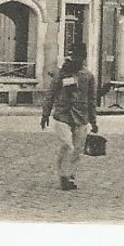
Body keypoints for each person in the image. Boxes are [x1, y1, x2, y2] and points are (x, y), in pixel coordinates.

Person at [40, 53, 99, 191]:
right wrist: (45, 114)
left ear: (83, 59)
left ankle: (71, 175)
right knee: (68, 145)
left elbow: (92, 100)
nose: (75, 60)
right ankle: (63, 176)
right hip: (63, 116)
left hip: (81, 117)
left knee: (78, 149)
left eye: (78, 57)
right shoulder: (62, 74)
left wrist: (93, 121)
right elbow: (51, 94)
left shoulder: (88, 76)